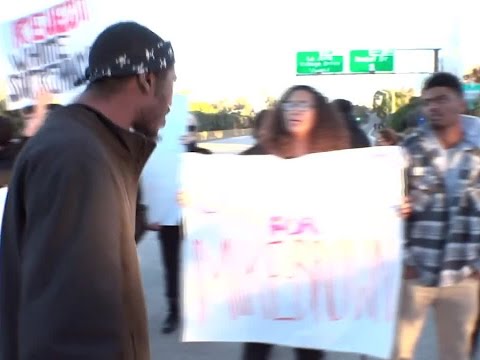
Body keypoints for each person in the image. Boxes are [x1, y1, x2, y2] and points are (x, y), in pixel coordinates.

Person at [0, 21, 176, 360]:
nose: (170, 102)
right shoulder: (78, 158)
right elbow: (70, 324)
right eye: (171, 84)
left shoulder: (84, 146)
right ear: (147, 79)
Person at [241, 85, 354, 360]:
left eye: (304, 104)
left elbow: (360, 205)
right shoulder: (260, 154)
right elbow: (223, 190)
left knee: (309, 351)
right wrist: (194, 196)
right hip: (267, 276)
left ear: (320, 113)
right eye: (290, 104)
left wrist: (393, 209)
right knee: (256, 348)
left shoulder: (336, 159)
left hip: (313, 278)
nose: (296, 110)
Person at [395, 72, 480, 360]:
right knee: (397, 352)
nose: (434, 107)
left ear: (461, 103)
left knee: (456, 354)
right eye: (428, 102)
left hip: (463, 273)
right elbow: (391, 209)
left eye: (442, 99)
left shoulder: (477, 151)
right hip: (415, 270)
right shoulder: (408, 150)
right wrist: (405, 259)